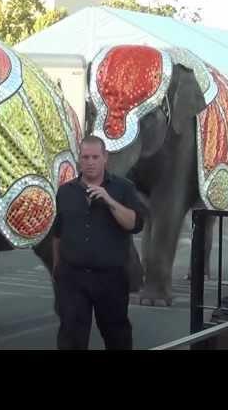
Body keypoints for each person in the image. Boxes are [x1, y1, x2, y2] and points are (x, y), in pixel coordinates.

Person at [52, 135, 145, 350]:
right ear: (79, 160)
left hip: (110, 278)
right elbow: (58, 234)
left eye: (95, 157)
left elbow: (134, 224)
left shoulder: (123, 188)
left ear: (105, 158)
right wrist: (58, 270)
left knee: (117, 335)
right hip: (73, 277)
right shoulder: (65, 192)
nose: (90, 162)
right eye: (85, 157)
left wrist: (109, 201)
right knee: (71, 336)